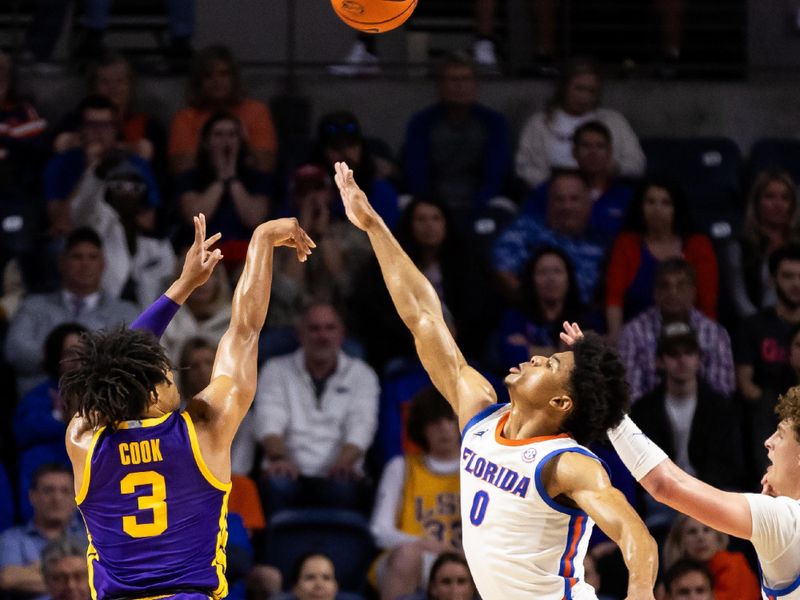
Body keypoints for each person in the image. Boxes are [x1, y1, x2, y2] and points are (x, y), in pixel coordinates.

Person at [334, 161, 658, 600]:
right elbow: (424, 315)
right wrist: (374, 226)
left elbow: (637, 538)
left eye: (550, 365)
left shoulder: (566, 463)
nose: (537, 358)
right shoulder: (479, 412)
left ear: (562, 403)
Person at [61, 214, 314, 600]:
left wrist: (184, 285)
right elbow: (244, 331)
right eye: (165, 374)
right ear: (149, 395)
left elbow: (110, 364)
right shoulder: (203, 429)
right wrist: (261, 241)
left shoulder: (84, 439)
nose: (173, 378)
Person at [602, 326, 800, 600]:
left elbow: (666, 484)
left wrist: (610, 408)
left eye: (780, 434)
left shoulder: (786, 519)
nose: (768, 442)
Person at [255, 302, 379, 515]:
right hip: (287, 469)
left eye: (330, 328)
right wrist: (279, 458)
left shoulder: (362, 374)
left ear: (341, 334)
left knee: (343, 487)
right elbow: (269, 419)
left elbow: (362, 426)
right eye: (314, 329)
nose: (322, 336)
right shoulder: (275, 370)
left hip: (340, 471)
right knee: (277, 484)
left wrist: (343, 464)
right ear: (300, 334)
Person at [5, 227, 140, 394]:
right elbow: (14, 351)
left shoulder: (126, 312)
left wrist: (61, 359)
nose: (85, 264)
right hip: (38, 408)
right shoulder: (33, 305)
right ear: (62, 262)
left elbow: (134, 361)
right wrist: (65, 358)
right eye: (77, 257)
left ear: (103, 264)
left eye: (92, 257)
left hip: (104, 408)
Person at [402, 52, 512, 232]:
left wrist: (475, 206)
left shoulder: (494, 123)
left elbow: (496, 174)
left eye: (465, 79)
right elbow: (415, 173)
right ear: (440, 85)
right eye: (453, 80)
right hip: (432, 202)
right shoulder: (421, 123)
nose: (459, 85)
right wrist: (434, 207)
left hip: (481, 202)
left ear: (475, 84)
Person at [370, 388, 461, 600]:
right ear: (421, 428)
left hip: (465, 560)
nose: (444, 429)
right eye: (435, 422)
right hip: (418, 559)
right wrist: (423, 544)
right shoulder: (401, 467)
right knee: (406, 556)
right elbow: (379, 531)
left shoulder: (478, 469)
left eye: (450, 420)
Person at [632, 323, 743, 491]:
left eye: (689, 353)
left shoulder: (720, 408)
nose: (682, 360)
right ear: (660, 361)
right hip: (659, 497)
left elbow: (729, 465)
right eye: (673, 354)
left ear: (698, 359)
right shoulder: (643, 410)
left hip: (710, 493)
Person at [605, 178, 718, 341]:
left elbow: (707, 305)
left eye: (666, 203)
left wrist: (706, 340)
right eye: (650, 202)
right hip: (636, 336)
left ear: (676, 208)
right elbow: (614, 298)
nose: (657, 209)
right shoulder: (626, 243)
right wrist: (616, 335)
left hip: (688, 338)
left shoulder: (698, 245)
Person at [515, 57, 645, 189]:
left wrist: (615, 169)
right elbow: (523, 166)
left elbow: (637, 163)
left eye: (591, 91)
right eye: (579, 89)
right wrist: (554, 186)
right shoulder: (538, 123)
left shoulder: (614, 121)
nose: (584, 97)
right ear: (564, 88)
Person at [617, 258, 734, 403]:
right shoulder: (632, 333)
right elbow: (629, 394)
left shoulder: (716, 334)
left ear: (693, 291)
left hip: (706, 419)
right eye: (665, 286)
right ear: (655, 292)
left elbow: (723, 391)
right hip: (646, 419)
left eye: (681, 285)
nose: (672, 292)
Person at [44, 95, 161, 238]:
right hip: (78, 239)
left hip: (122, 239)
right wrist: (90, 170)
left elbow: (147, 223)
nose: (99, 132)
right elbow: (60, 222)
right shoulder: (61, 164)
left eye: (106, 125)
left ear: (115, 129)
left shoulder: (136, 164)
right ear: (81, 129)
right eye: (92, 125)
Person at [492, 169, 611, 305]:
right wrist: (537, 308)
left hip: (582, 319)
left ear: (588, 203)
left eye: (574, 199)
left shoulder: (603, 243)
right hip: (530, 316)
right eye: (559, 199)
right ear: (548, 203)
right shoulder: (525, 230)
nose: (567, 206)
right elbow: (502, 271)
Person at [735, 242, 800, 482]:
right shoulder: (754, 326)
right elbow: (745, 384)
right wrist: (785, 409)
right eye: (788, 276)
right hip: (769, 412)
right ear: (772, 280)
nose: (795, 284)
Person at [13, 323, 87, 520]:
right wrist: (60, 419)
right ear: (56, 357)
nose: (79, 362)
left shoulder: (108, 397)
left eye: (84, 353)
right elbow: (22, 431)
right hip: (50, 466)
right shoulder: (38, 397)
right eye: (71, 353)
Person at [169, 45, 277, 174]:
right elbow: (182, 170)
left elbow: (265, 166)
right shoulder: (185, 118)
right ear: (198, 83)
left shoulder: (257, 112)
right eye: (208, 76)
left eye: (223, 74)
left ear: (234, 78)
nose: (217, 81)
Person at [521, 120, 633, 241]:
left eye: (600, 146)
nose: (593, 152)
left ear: (610, 152)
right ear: (574, 152)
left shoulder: (626, 197)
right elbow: (524, 228)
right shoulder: (549, 190)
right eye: (586, 146)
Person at [53, 52, 167, 169]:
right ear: (92, 88)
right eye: (104, 82)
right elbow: (59, 146)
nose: (113, 87)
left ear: (131, 87)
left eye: (120, 81)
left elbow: (157, 166)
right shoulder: (74, 121)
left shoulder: (149, 126)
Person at [176, 112, 270, 248]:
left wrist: (231, 177)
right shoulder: (189, 178)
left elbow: (254, 219)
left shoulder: (257, 178)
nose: (226, 141)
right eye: (218, 135)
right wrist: (220, 179)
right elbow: (195, 219)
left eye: (232, 135)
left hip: (247, 250)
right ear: (206, 142)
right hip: (203, 251)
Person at [492, 245, 588, 369]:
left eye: (557, 271)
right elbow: (512, 356)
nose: (551, 279)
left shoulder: (585, 317)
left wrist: (531, 350)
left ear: (569, 278)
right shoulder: (515, 317)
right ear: (531, 279)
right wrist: (562, 352)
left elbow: (590, 358)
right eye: (542, 272)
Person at [722, 170, 800, 320]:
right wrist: (762, 327)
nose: (778, 204)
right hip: (754, 326)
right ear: (757, 203)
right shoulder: (739, 247)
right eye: (770, 197)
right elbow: (739, 299)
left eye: (785, 198)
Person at [0, 465, 87, 599]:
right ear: (32, 496)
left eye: (65, 491)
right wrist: (81, 576)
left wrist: (33, 572)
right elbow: (7, 579)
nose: (56, 498)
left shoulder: (91, 536)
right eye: (48, 491)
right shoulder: (12, 539)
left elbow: (106, 578)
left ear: (76, 498)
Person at [662, 515, 760, 600]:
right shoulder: (673, 574)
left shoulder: (734, 565)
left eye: (707, 530)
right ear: (679, 540)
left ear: (718, 537)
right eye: (692, 532)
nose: (700, 537)